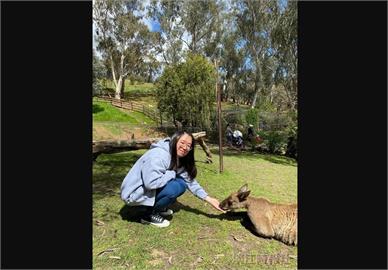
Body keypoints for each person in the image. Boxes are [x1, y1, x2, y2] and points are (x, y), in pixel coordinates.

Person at [120, 131, 225, 228]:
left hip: (144, 191)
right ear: (175, 140)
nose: (185, 147)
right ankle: (146, 215)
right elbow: (151, 183)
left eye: (189, 146)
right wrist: (171, 173)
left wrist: (209, 199)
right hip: (133, 195)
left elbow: (190, 181)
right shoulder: (159, 155)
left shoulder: (177, 157)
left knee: (181, 183)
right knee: (175, 187)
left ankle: (155, 207)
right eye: (182, 142)